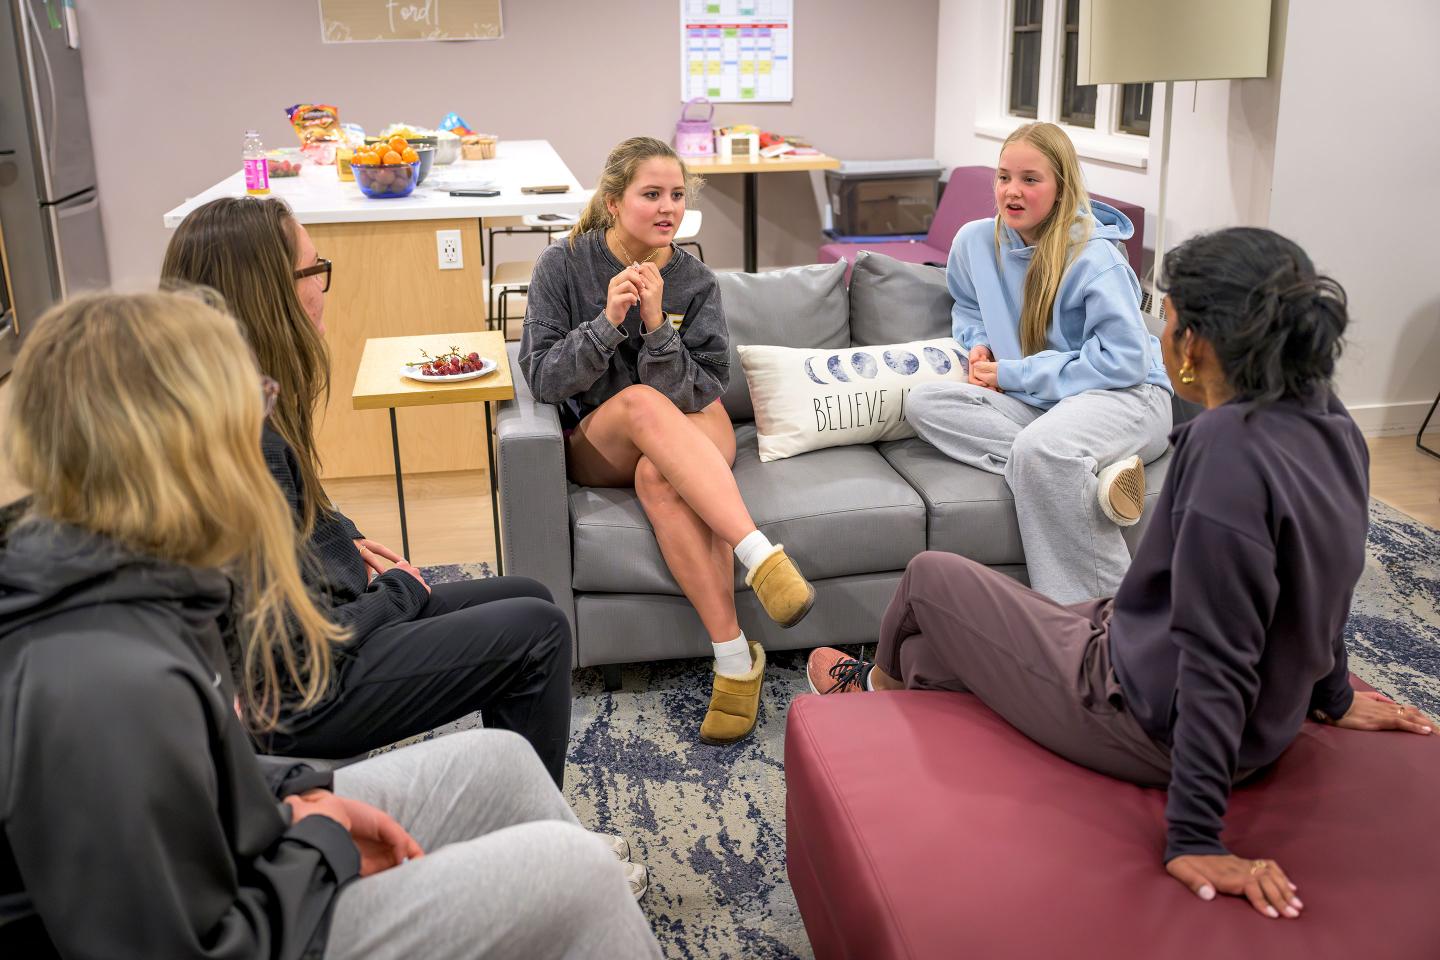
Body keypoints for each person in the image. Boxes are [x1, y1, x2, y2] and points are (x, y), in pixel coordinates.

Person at [0, 291, 662, 959]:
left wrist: (300, 796)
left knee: (505, 764)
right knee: (575, 878)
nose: (262, 450)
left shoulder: (139, 583)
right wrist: (320, 843)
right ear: (173, 455)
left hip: (250, 867)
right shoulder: (94, 683)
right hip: (261, 928)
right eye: (246, 416)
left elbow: (196, 779)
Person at [804, 228, 1435, 919]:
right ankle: (912, 673)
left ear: (1191, 343)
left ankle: (874, 685)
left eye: (1161, 315)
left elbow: (1215, 656)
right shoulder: (1332, 423)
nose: (1157, 329)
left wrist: (1194, 836)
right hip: (1225, 696)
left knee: (929, 578)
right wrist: (1334, 696)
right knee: (964, 632)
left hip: (1138, 711)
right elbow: (1325, 577)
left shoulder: (1226, 451)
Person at [161, 197, 573, 786]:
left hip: (315, 647)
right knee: (539, 632)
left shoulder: (231, 401)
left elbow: (306, 520)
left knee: (530, 594)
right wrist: (399, 594)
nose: (324, 287)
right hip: (297, 699)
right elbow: (295, 651)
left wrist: (347, 541)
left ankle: (514, 808)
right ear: (269, 290)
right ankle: (543, 849)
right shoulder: (246, 440)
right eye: (314, 270)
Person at [520, 136, 814, 745]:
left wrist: (657, 326)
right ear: (611, 201)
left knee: (661, 471)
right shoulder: (563, 265)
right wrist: (607, 325)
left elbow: (704, 388)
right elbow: (544, 379)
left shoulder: (694, 280)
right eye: (651, 194)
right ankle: (760, 555)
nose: (667, 208)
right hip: (602, 439)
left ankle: (734, 661)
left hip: (687, 426)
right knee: (637, 403)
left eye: (676, 195)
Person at [904, 121, 1174, 604]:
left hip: (1125, 395)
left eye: (1030, 179)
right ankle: (1088, 473)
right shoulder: (973, 242)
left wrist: (1014, 373)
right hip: (1043, 405)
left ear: (1061, 187)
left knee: (1041, 454)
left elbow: (1125, 362)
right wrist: (980, 344)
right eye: (1004, 177)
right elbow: (966, 304)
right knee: (925, 403)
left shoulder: (1095, 258)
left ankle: (1103, 628)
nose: (1012, 191)